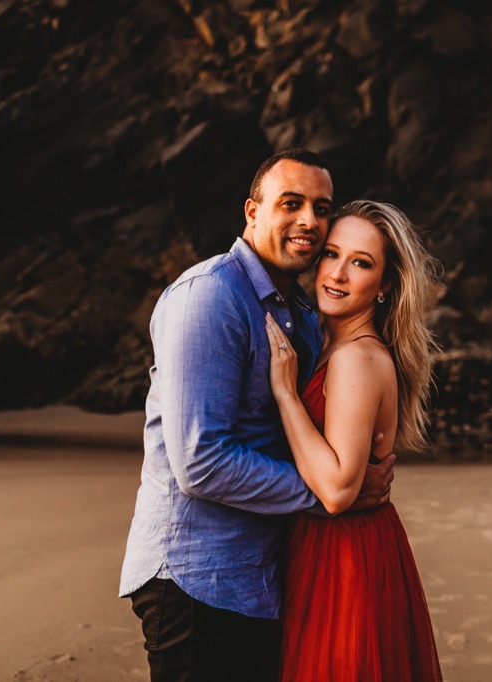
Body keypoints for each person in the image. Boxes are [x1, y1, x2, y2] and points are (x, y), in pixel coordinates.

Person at [119, 149, 395, 681]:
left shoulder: (302, 315)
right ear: (252, 211)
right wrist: (332, 496)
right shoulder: (210, 297)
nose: (309, 220)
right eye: (291, 203)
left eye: (321, 208)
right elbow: (200, 462)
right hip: (198, 576)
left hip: (264, 577)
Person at [265, 199, 443, 681]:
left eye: (361, 263)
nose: (338, 274)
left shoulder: (355, 359)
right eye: (331, 254)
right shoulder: (331, 347)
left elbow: (339, 490)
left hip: (345, 557)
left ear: (384, 286)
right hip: (337, 545)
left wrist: (286, 395)